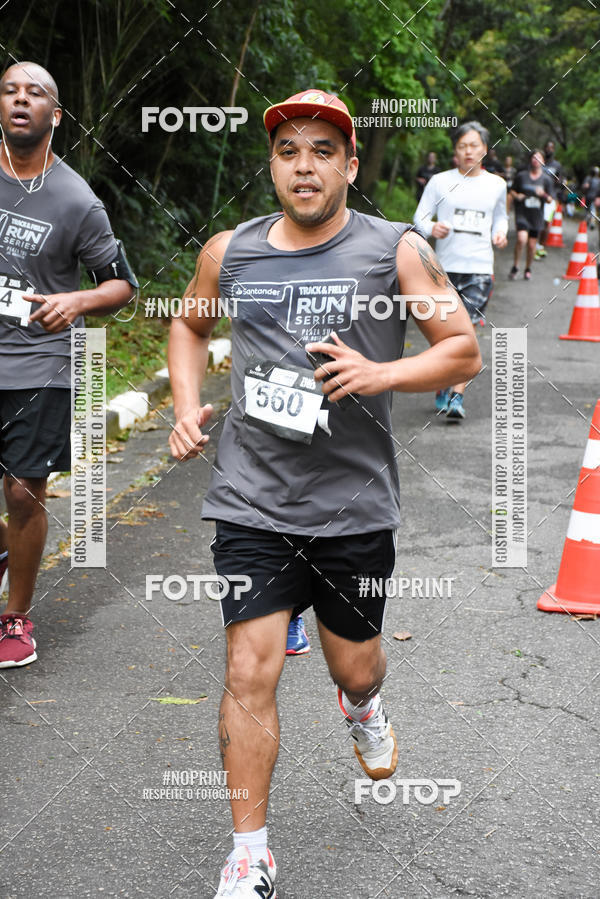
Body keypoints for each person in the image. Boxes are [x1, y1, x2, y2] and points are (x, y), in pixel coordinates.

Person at [168, 89, 480, 897]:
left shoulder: (394, 250)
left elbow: (461, 350)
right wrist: (183, 403)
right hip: (252, 499)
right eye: (287, 152)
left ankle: (364, 707)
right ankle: (249, 854)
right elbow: (188, 325)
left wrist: (383, 372)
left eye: (320, 151)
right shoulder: (229, 251)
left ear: (347, 163)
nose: (303, 167)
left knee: (357, 664)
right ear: (273, 164)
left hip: (353, 507)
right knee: (249, 668)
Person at [0, 62, 136, 667]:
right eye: (9, 91)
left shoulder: (78, 200)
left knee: (24, 495)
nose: (20, 99)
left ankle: (16, 618)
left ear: (55, 116)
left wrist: (76, 300)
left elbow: (121, 285)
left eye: (35, 94)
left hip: (40, 362)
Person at [413, 121, 508, 421]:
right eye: (463, 146)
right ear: (455, 150)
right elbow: (420, 216)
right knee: (444, 333)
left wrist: (500, 233)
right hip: (442, 269)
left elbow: (501, 218)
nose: (469, 151)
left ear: (485, 149)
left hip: (479, 267)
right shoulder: (440, 181)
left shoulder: (497, 184)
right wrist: (431, 227)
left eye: (474, 146)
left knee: (464, 331)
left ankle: (456, 396)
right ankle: (443, 383)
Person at [509, 149, 553, 281]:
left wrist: (543, 195)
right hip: (522, 213)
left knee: (532, 245)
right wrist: (518, 196)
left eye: (539, 157)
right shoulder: (521, 176)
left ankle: (528, 268)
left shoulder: (546, 180)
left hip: (536, 216)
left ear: (543, 161)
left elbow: (551, 199)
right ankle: (516, 266)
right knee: (521, 239)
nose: (536, 160)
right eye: (534, 157)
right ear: (530, 160)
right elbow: (511, 191)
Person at [536, 139, 563, 257]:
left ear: (554, 150)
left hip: (551, 197)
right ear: (544, 148)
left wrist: (560, 182)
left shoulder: (557, 165)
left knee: (546, 222)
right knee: (535, 222)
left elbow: (562, 181)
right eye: (547, 147)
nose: (549, 149)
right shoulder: (538, 162)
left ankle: (540, 246)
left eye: (551, 148)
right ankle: (533, 244)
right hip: (537, 196)